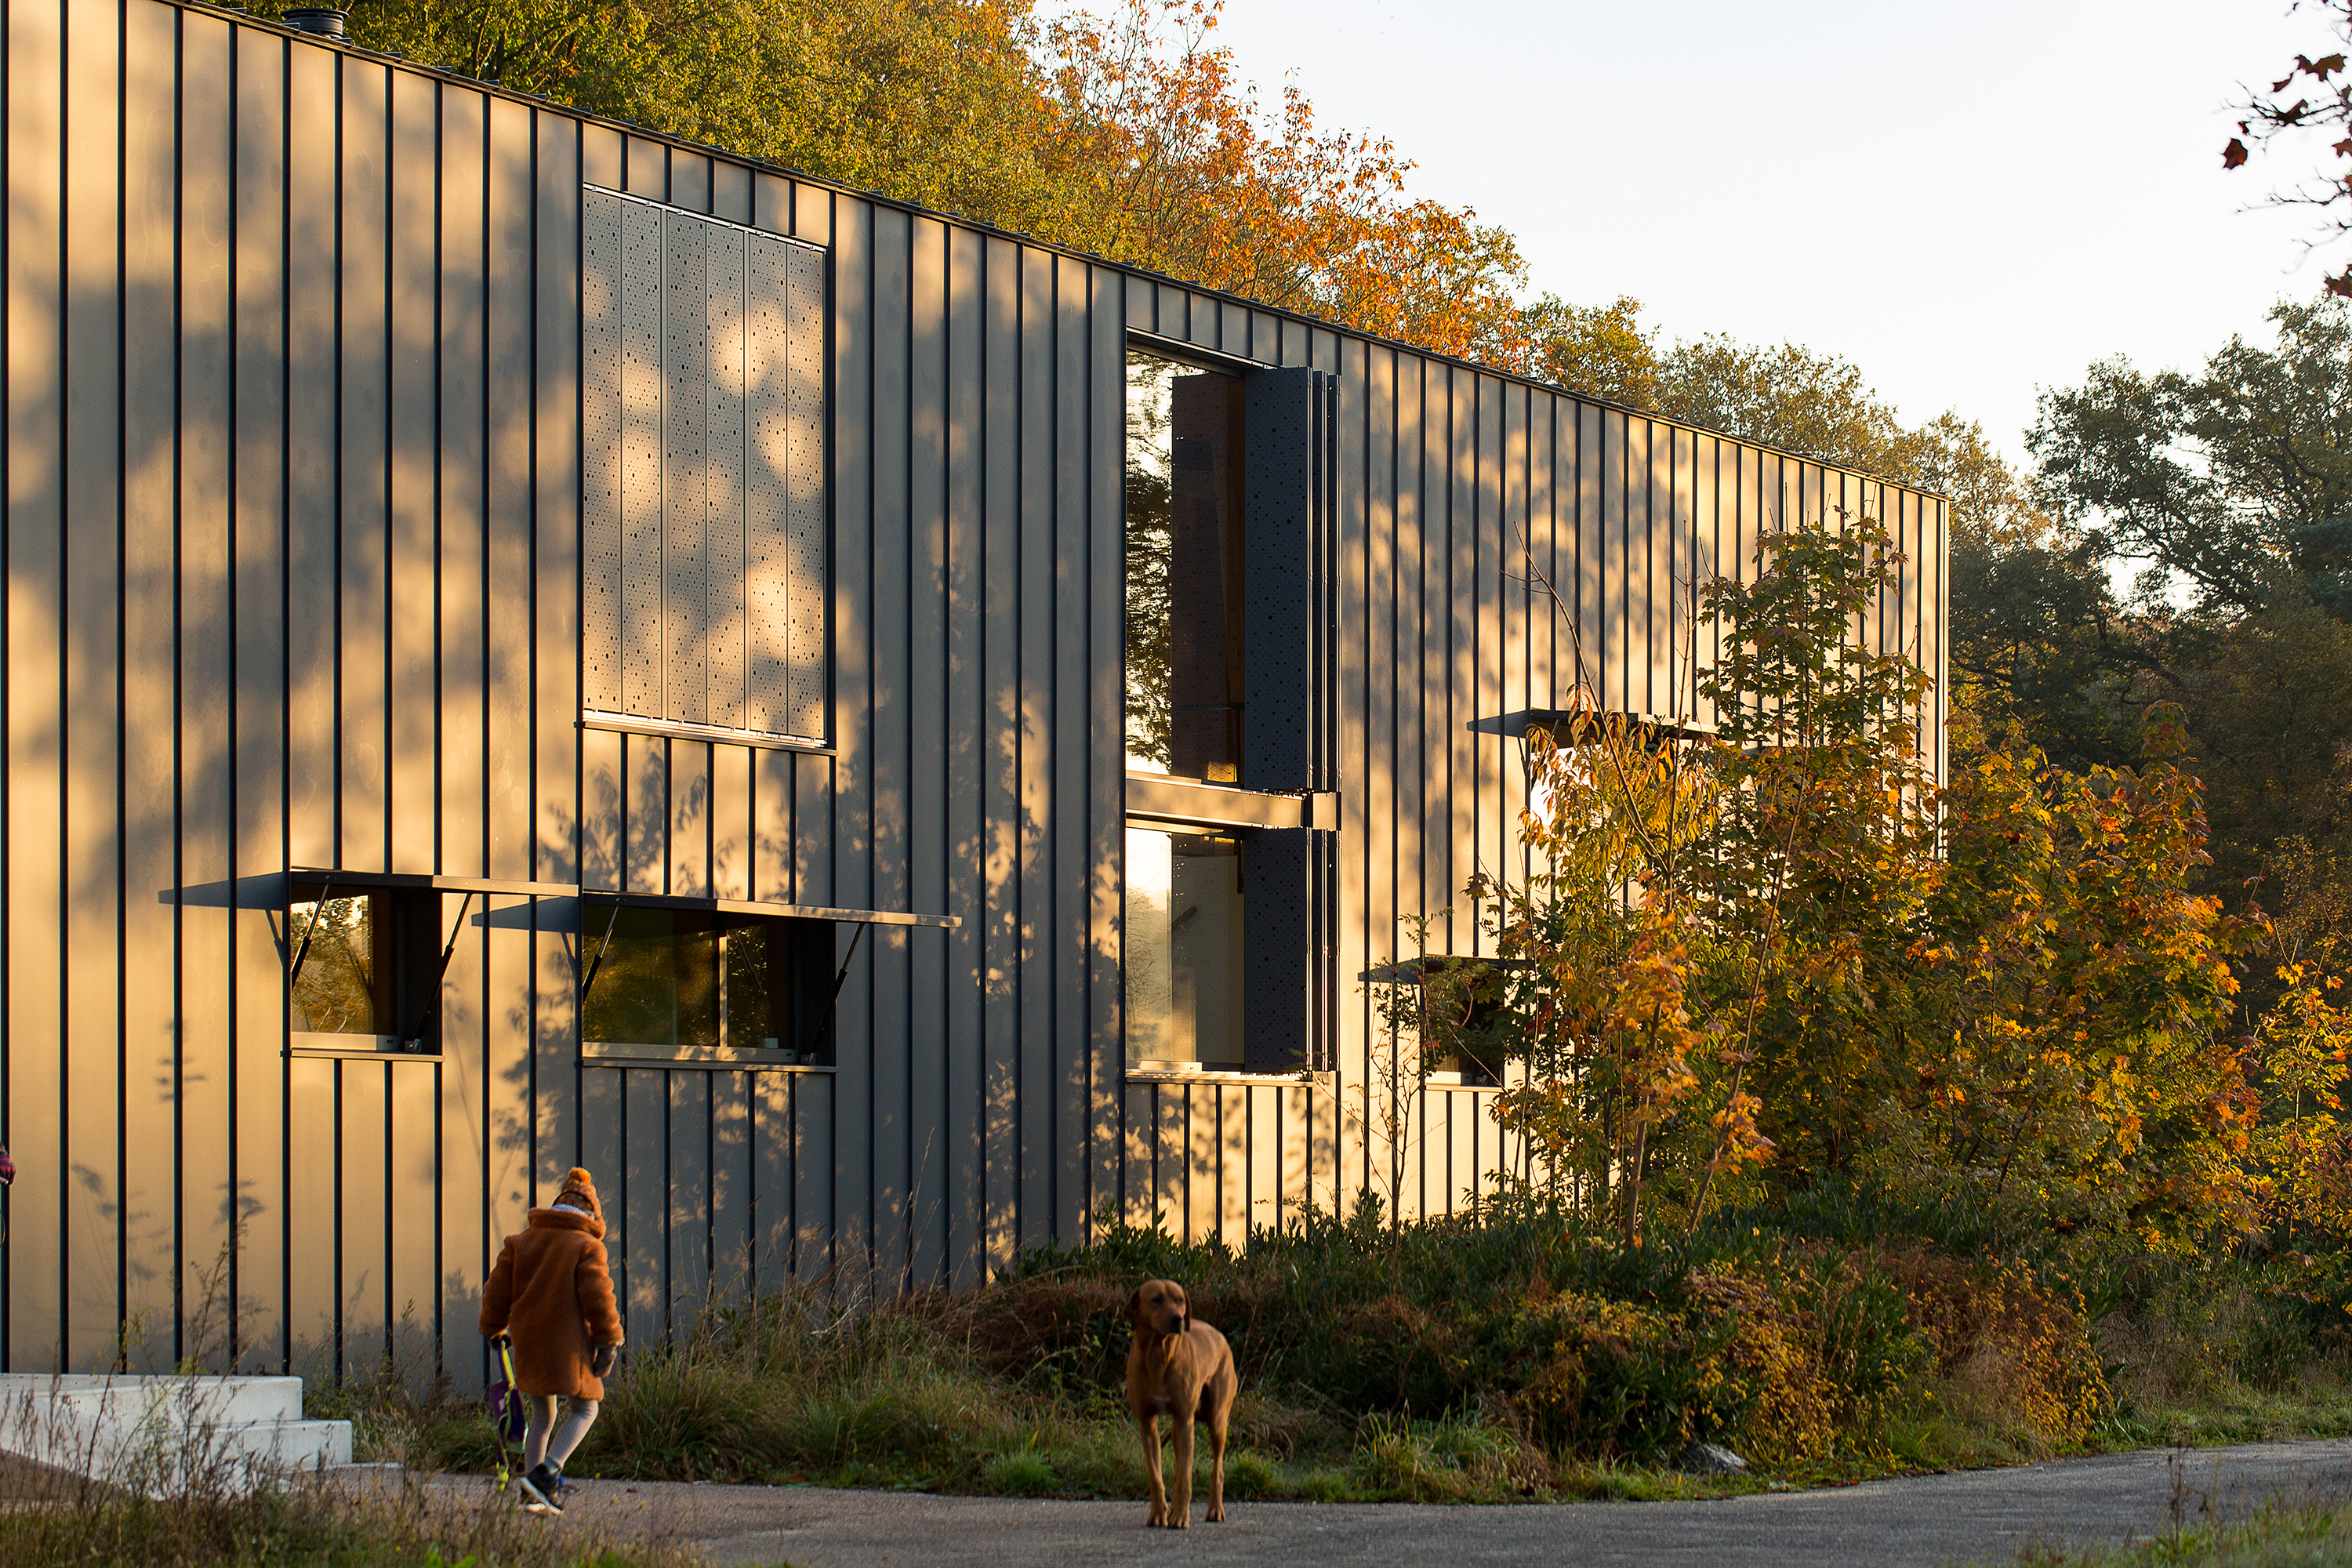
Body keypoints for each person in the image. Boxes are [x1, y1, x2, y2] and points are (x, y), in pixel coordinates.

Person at [479, 1167, 623, 1513]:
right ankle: (548, 1473)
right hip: (568, 1345)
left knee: (543, 1415)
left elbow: (496, 1293)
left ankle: (532, 1491)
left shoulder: (520, 1242)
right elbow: (599, 1298)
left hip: (528, 1341)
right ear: (590, 1215)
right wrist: (609, 1341)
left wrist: (494, 1328)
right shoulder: (587, 1246)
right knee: (586, 1408)